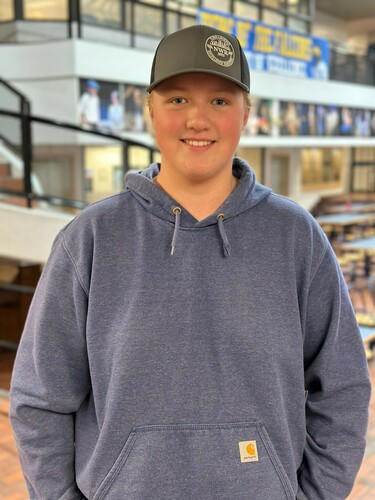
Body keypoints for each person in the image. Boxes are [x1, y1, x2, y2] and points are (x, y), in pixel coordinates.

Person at [10, 24, 370, 500]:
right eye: (177, 99)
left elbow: (342, 388)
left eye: (220, 101)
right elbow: (39, 399)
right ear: (150, 110)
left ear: (246, 114)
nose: (197, 119)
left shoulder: (295, 236)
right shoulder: (91, 239)